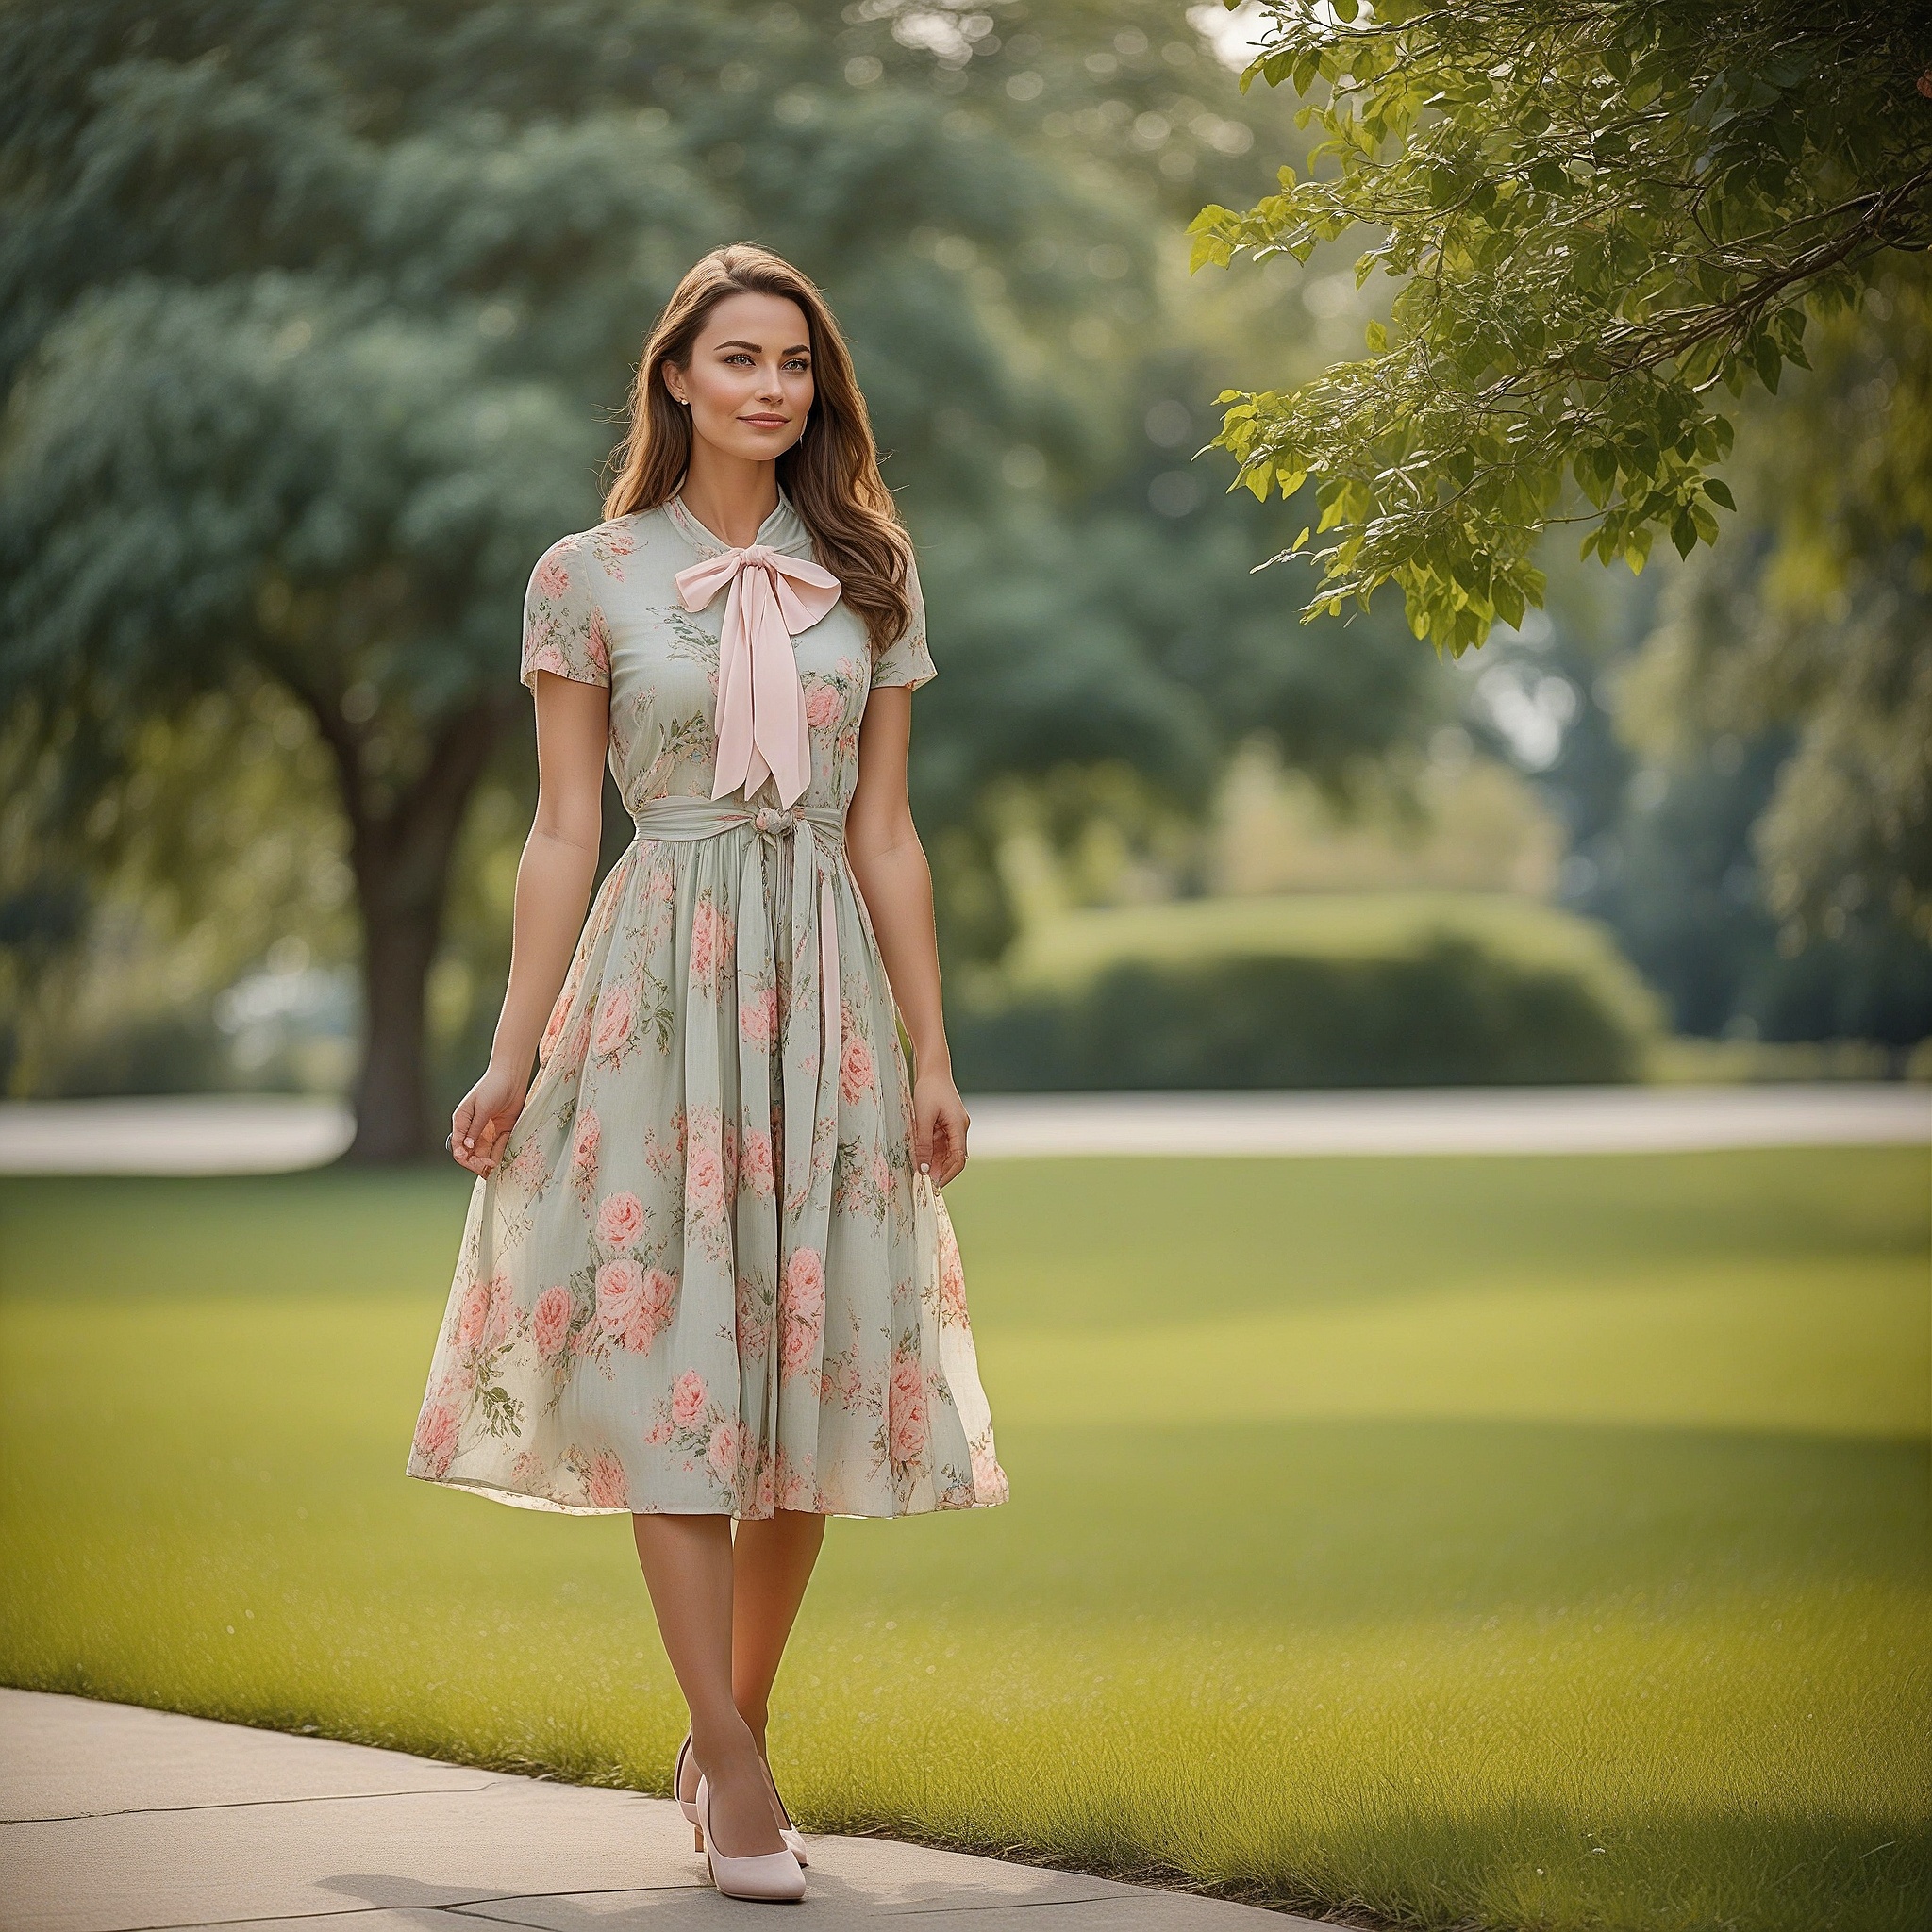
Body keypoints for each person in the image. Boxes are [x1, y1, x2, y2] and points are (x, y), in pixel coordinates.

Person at [405, 242, 1008, 1902]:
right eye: (738, 358)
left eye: (794, 365)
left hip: (820, 990)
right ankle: (739, 1777)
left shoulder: (869, 572)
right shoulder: (584, 576)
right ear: (677, 376)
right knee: (675, 1359)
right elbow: (559, 826)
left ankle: (724, 1723)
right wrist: (512, 1055)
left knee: (802, 1385)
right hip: (656, 987)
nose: (769, 388)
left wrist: (932, 1048)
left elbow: (886, 832)